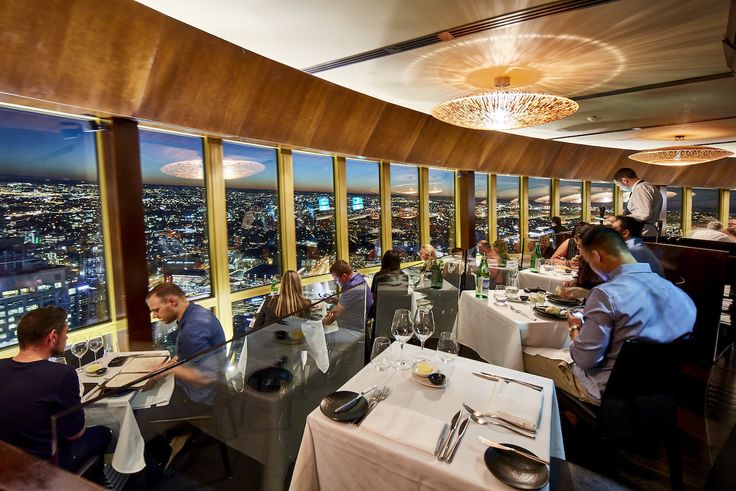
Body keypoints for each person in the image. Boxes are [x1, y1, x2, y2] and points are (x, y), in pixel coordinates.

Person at [524, 226, 696, 404]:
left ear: (597, 256)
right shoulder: (683, 297)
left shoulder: (605, 295)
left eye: (589, 261)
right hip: (659, 392)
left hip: (607, 392)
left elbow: (585, 360)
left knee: (522, 354)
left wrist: (575, 329)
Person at [0, 307, 112, 476]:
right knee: (104, 432)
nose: (66, 337)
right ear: (52, 336)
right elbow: (75, 433)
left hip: (8, 464)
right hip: (41, 469)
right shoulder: (62, 374)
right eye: (65, 332)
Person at [137, 283, 226, 443]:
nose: (155, 316)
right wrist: (163, 369)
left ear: (172, 302)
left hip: (202, 400)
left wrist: (168, 370)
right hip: (212, 391)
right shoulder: (196, 312)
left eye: (156, 310)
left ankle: (157, 462)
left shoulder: (192, 330)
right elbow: (185, 357)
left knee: (141, 418)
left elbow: (204, 378)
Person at [322, 260, 372, 331]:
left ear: (344, 276)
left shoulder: (352, 287)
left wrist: (321, 323)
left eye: (336, 279)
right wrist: (334, 300)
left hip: (355, 329)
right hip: (360, 323)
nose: (336, 282)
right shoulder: (358, 278)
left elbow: (335, 313)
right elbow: (350, 303)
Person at [613, 168, 663, 238]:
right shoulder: (649, 187)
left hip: (642, 233)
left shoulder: (640, 188)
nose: (620, 188)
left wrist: (619, 219)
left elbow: (644, 214)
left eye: (619, 185)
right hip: (647, 232)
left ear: (624, 180)